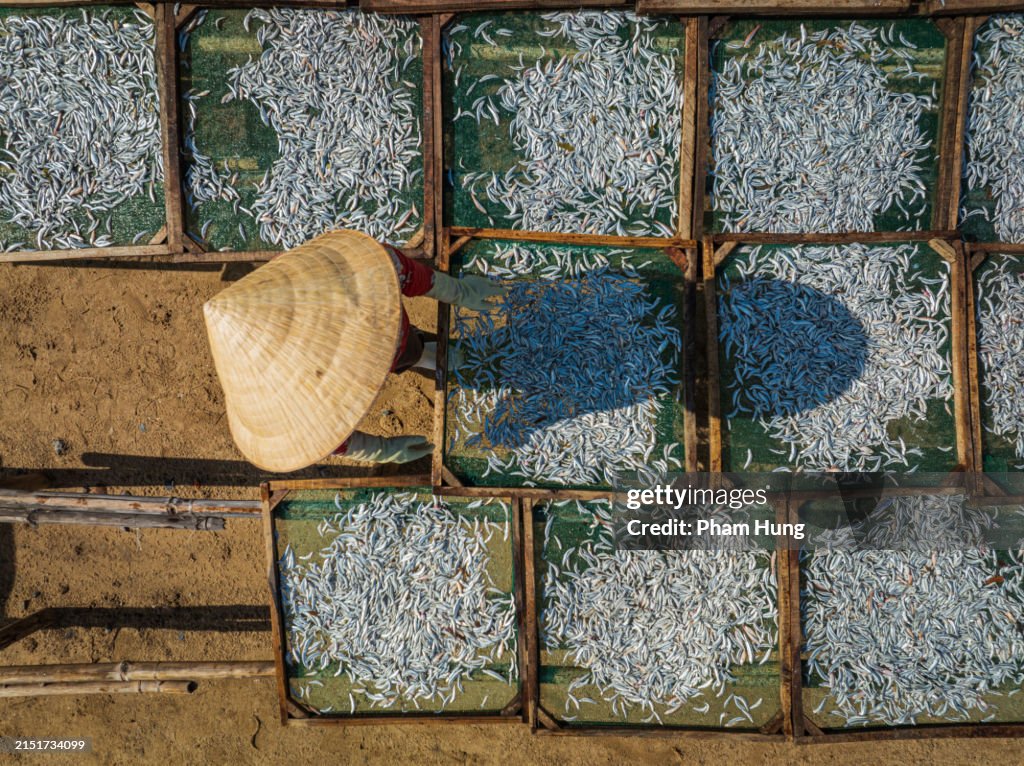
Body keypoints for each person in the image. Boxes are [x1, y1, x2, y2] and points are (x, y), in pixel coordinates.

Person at [202, 229, 504, 472]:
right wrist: (380, 450)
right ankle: (417, 353)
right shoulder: (288, 401)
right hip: (350, 358)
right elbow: (324, 438)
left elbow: (399, 268)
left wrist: (457, 290)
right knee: (402, 352)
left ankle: (421, 352)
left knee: (407, 350)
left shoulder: (339, 283)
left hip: (394, 336)